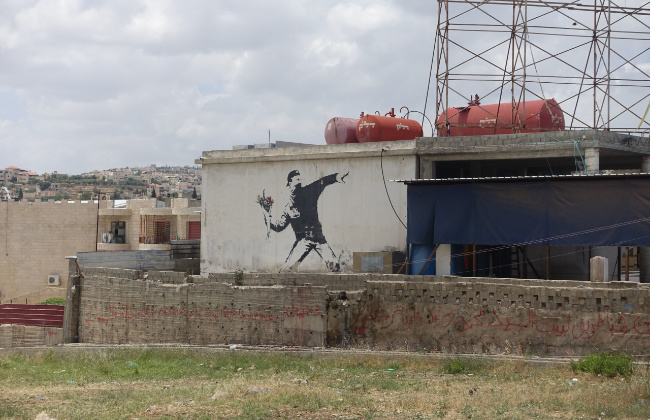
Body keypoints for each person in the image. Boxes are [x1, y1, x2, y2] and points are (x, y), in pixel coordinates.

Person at [260, 169, 349, 271]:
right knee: (287, 269)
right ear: (289, 184)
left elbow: (323, 181)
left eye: (300, 180)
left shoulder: (309, 191)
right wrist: (267, 218)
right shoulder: (288, 208)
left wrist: (337, 177)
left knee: (335, 266)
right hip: (303, 242)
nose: (299, 182)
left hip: (319, 239)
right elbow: (279, 227)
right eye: (296, 180)